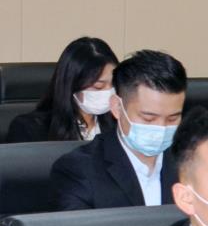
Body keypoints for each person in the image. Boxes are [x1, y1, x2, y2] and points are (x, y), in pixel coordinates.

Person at [51, 49, 187, 210]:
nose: (161, 128)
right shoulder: (79, 170)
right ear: (117, 107)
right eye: (148, 119)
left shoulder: (193, 163)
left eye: (172, 119)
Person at [5, 35, 118, 143]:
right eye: (99, 86)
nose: (109, 92)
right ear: (72, 84)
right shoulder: (30, 129)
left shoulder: (120, 124)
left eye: (114, 84)